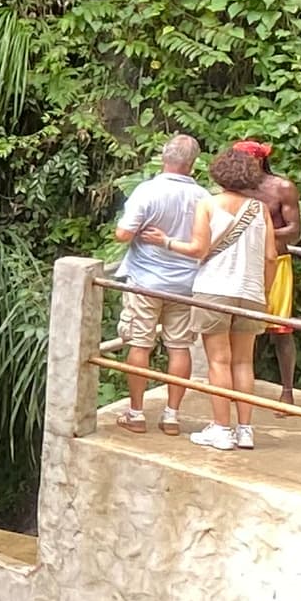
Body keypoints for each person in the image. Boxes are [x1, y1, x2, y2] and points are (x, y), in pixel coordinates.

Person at [107, 134, 215, 430]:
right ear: (192, 164)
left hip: (145, 281)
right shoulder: (204, 197)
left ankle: (137, 413)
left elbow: (123, 234)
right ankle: (171, 415)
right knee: (179, 347)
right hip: (185, 284)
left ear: (163, 157)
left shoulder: (147, 191)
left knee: (140, 344)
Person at [190, 150, 279, 450]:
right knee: (243, 362)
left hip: (214, 289)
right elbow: (271, 257)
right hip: (251, 293)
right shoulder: (260, 209)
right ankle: (245, 430)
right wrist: (264, 293)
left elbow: (200, 250)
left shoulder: (208, 205)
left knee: (219, 361)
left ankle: (221, 429)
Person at [225, 138, 301, 401]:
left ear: (259, 160)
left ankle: (287, 391)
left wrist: (263, 231)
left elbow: (294, 231)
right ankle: (238, 388)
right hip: (242, 263)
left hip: (277, 262)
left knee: (280, 330)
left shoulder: (282, 187)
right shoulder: (233, 188)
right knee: (240, 327)